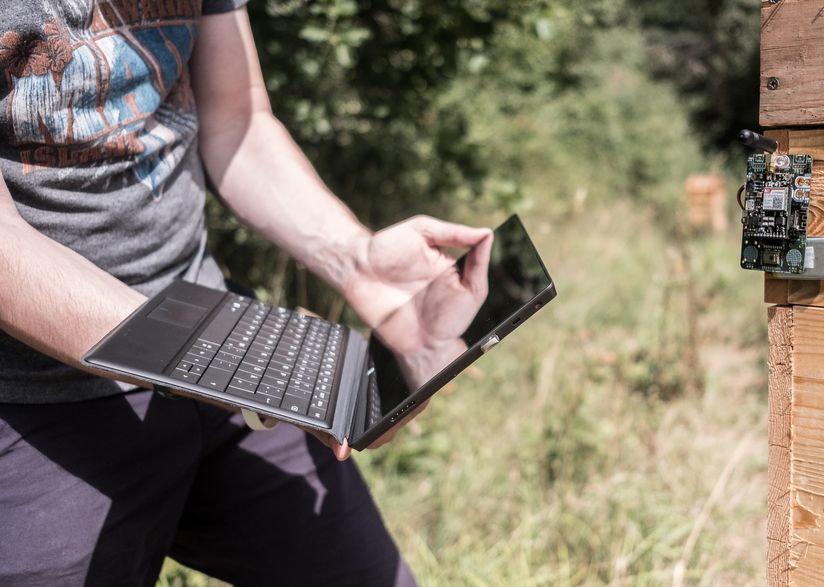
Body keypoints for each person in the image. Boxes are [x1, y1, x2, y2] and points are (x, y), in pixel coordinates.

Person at [0, 1, 492, 585]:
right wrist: (236, 363)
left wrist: (356, 260)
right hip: (37, 401)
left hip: (214, 332)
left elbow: (239, 121)